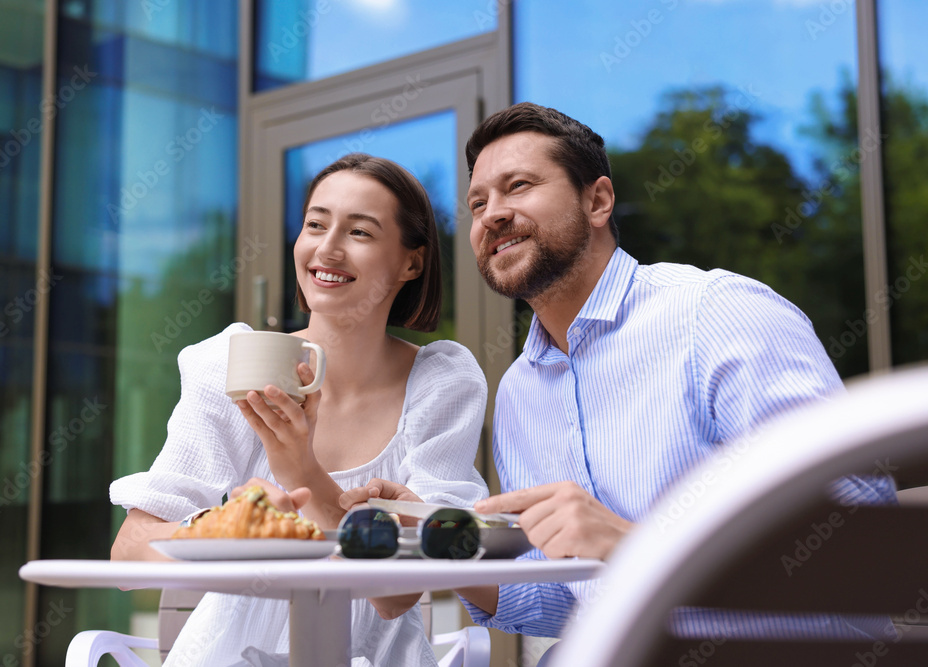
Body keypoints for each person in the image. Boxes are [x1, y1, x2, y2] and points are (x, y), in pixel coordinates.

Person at [344, 102, 897, 641]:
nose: (492, 214)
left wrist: (637, 545)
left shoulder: (719, 315)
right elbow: (565, 599)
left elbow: (858, 550)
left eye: (519, 186)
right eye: (477, 203)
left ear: (599, 201)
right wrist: (449, 546)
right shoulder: (519, 392)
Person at [109, 153, 489, 667]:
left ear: (411, 262)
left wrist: (302, 471)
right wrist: (228, 527)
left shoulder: (441, 382)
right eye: (315, 224)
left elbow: (395, 595)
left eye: (359, 232)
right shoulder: (235, 365)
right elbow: (131, 551)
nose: (326, 249)